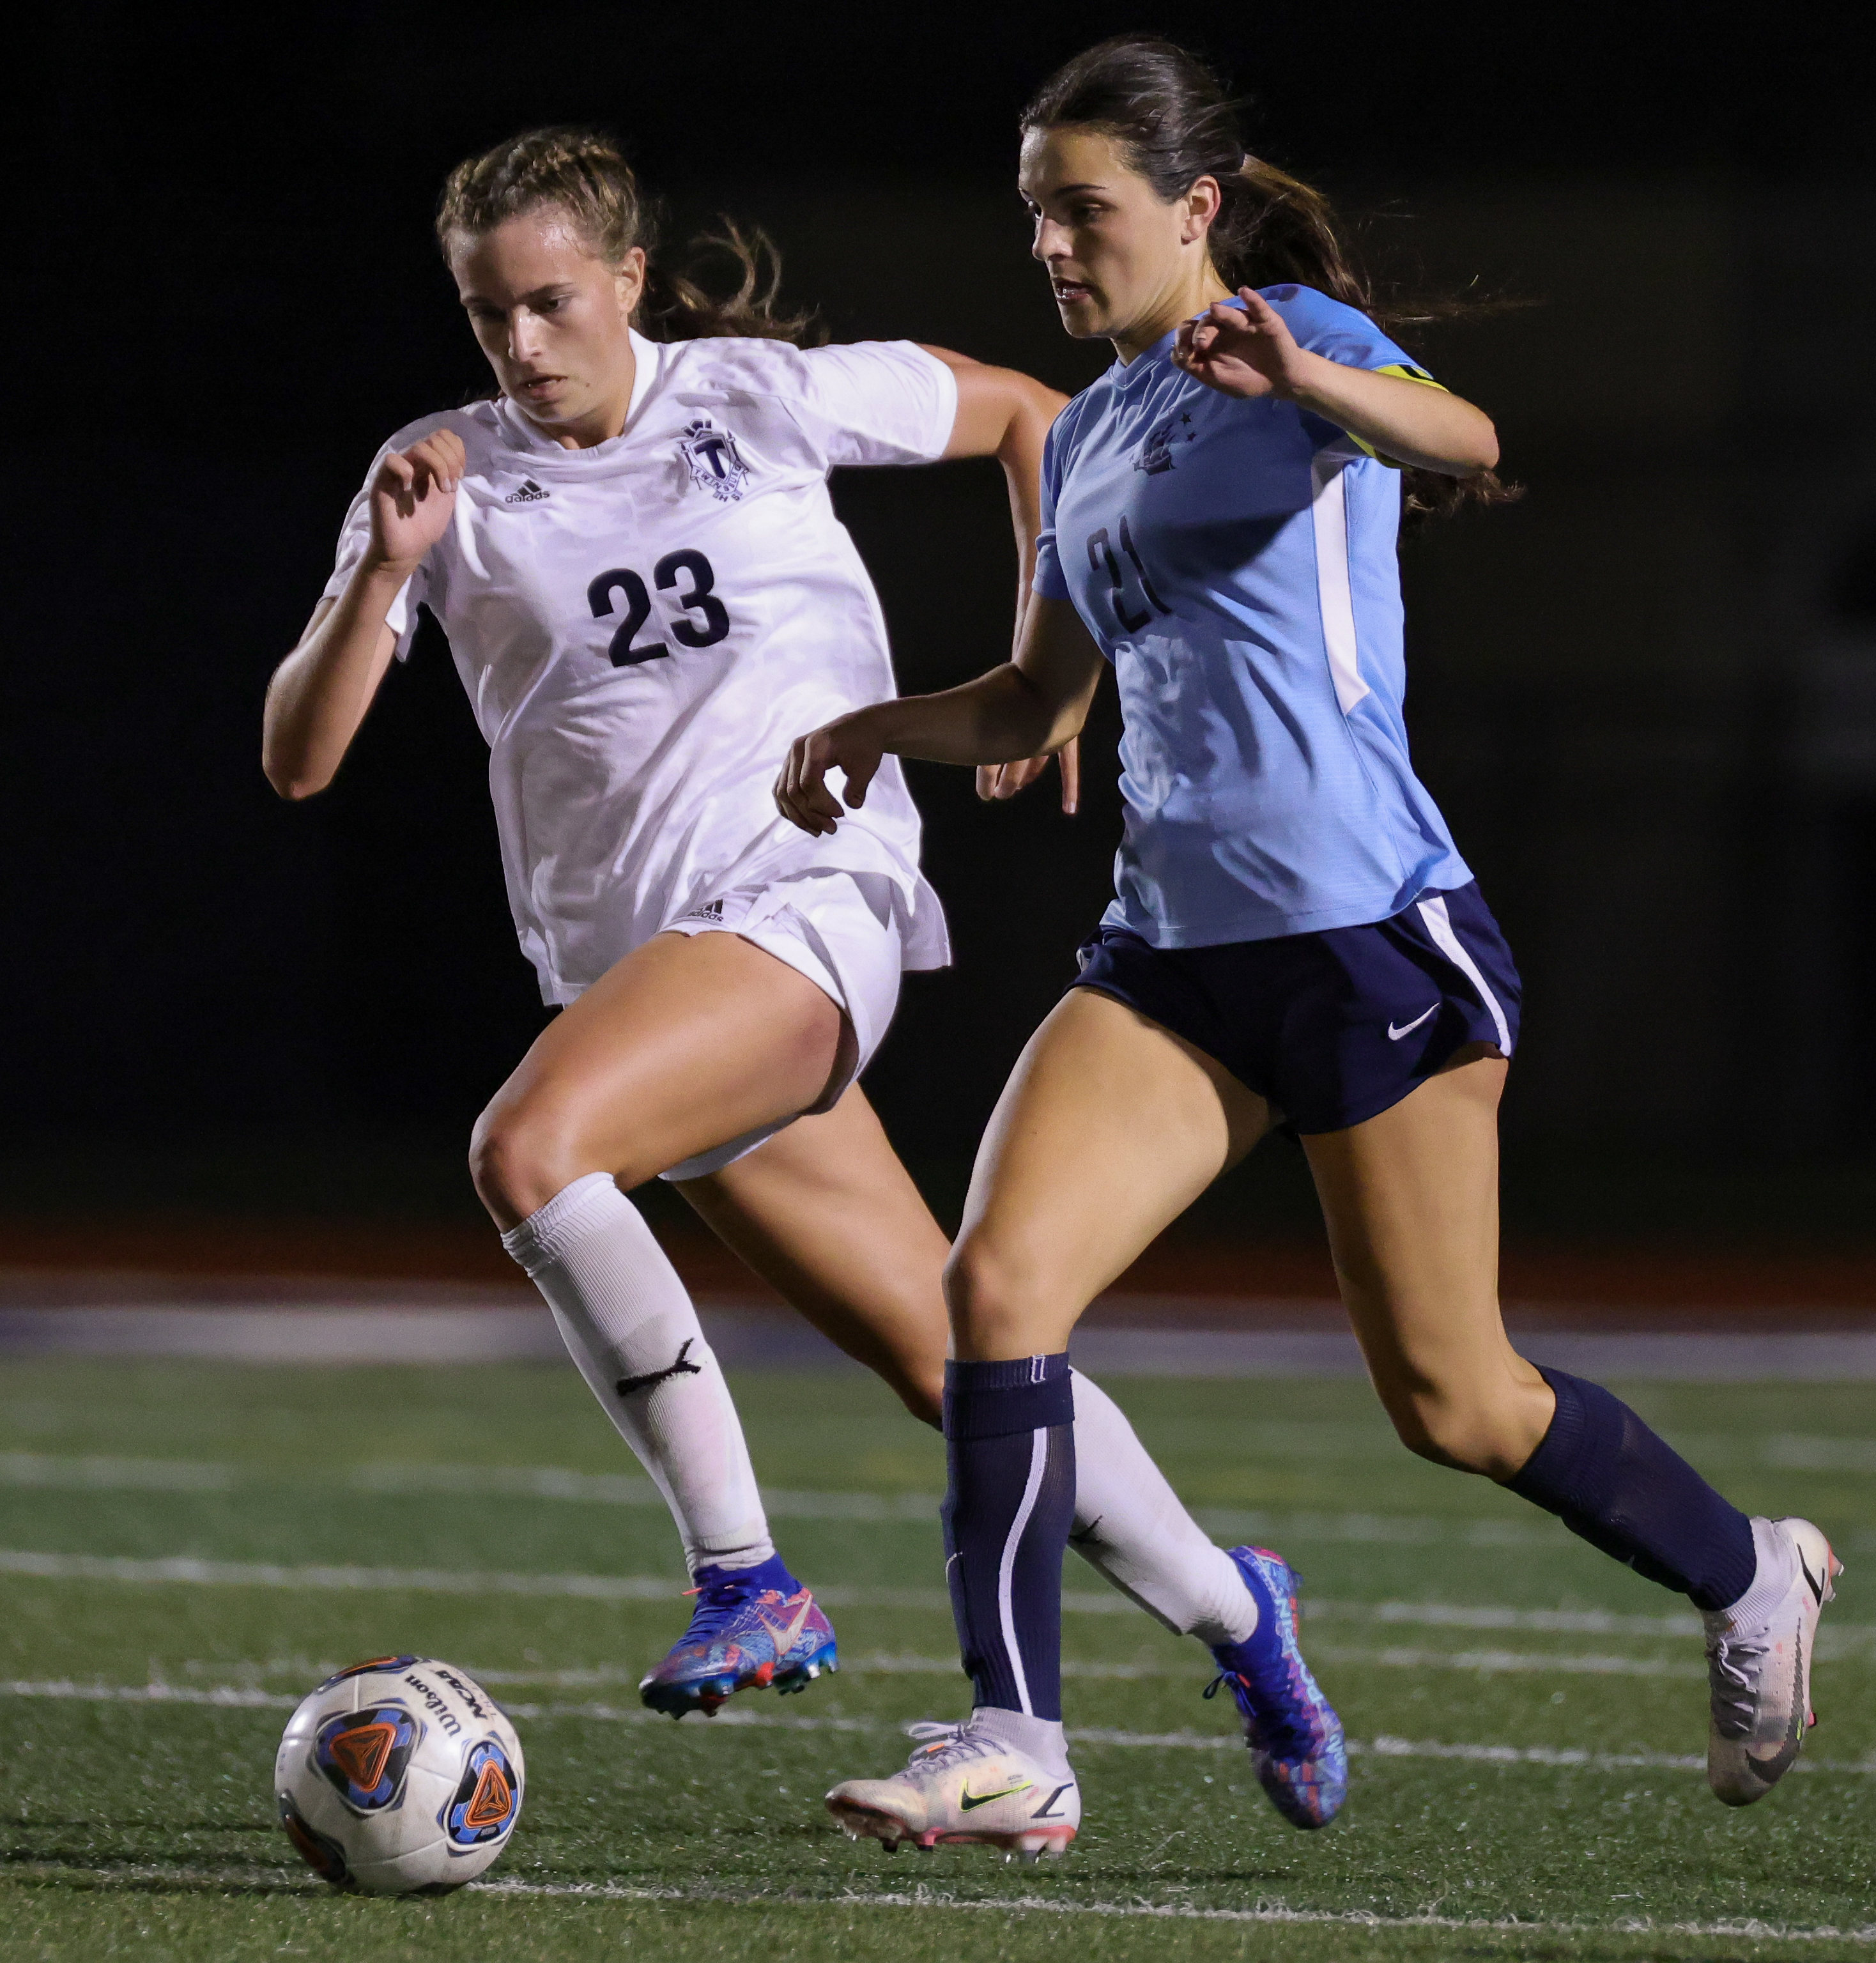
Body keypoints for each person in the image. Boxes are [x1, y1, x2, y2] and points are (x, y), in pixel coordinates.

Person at [783, 35, 1838, 1859]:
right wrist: (877, 730)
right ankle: (1016, 1738)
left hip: (1368, 941)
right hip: (1170, 955)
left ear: (1193, 207)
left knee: (1456, 1400)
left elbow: (1474, 439)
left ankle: (1750, 1565)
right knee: (996, 1296)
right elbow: (1042, 693)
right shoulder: (1096, 422)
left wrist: (1314, 373)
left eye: (1084, 206)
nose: (1050, 240)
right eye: (1033, 209)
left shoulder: (1289, 341)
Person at [261, 125, 1344, 1825]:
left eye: (552, 302)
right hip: (646, 982)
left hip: (806, 901)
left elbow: (1021, 415)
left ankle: (743, 1574)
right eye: (489, 318)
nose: (524, 345)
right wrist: (387, 573)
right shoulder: (441, 478)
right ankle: (1236, 1608)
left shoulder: (752, 394)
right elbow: (302, 760)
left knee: (528, 1155)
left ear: (628, 279)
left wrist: (1038, 655)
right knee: (959, 1359)